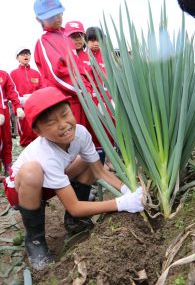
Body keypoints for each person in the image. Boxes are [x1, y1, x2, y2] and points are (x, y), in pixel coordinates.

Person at [3, 86, 144, 271]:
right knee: (32, 171)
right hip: (21, 189)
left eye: (65, 114)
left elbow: (99, 171)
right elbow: (75, 207)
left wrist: (128, 189)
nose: (62, 125)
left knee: (88, 161)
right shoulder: (45, 153)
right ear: (38, 132)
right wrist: (122, 203)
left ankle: (73, 222)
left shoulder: (81, 133)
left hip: (50, 180)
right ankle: (35, 241)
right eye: (51, 122)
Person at [33, 0, 92, 126]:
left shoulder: (66, 37)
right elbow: (56, 74)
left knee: (81, 137)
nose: (57, 18)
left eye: (59, 13)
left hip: (79, 97)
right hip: (64, 101)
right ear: (39, 19)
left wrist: (87, 87)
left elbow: (78, 66)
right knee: (69, 139)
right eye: (50, 16)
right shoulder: (44, 40)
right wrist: (83, 90)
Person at [65, 20, 107, 162]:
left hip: (90, 101)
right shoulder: (66, 55)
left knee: (93, 130)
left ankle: (97, 161)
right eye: (73, 36)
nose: (77, 40)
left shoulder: (89, 56)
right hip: (72, 103)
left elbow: (94, 80)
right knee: (73, 133)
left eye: (80, 36)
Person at [10, 47, 44, 147]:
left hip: (35, 106)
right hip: (21, 107)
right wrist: (19, 104)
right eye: (22, 54)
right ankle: (26, 154)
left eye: (27, 53)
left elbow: (41, 89)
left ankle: (40, 152)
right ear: (17, 58)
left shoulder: (36, 73)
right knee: (25, 132)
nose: (26, 56)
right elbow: (11, 91)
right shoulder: (13, 74)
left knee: (37, 129)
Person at [0, 70, 25, 174]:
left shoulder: (4, 74)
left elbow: (12, 91)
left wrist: (18, 106)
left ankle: (7, 164)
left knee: (6, 138)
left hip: (4, 110)